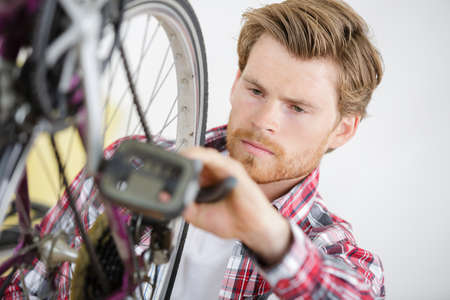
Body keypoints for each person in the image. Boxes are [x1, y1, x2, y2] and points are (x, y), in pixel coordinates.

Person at [2, 0, 384, 299]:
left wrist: (267, 234)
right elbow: (25, 285)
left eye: (297, 108)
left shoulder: (333, 249)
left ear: (343, 130)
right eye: (255, 90)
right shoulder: (133, 159)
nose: (265, 120)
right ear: (236, 83)